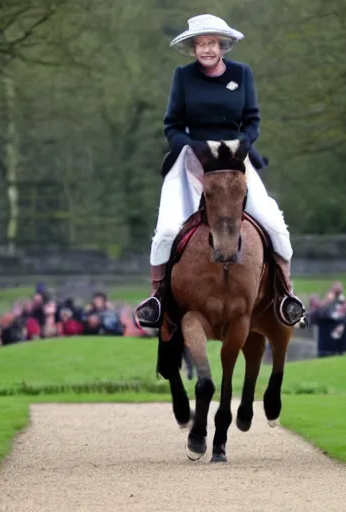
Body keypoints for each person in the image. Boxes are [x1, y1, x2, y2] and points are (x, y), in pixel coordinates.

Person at [134, 14, 305, 328]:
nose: (206, 49)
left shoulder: (242, 74)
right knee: (168, 230)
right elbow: (171, 126)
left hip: (236, 159)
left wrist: (242, 144)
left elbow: (253, 121)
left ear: (222, 45)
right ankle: (157, 298)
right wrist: (195, 148)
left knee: (274, 224)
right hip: (192, 158)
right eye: (200, 44)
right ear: (193, 48)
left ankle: (286, 295)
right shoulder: (182, 77)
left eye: (211, 43)